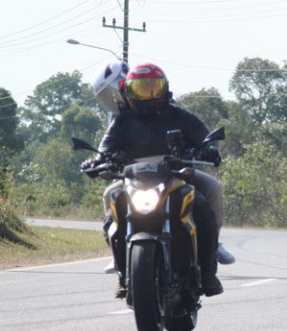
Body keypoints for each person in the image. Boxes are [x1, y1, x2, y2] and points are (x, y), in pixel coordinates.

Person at [84, 62, 229, 297]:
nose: (147, 95)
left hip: (176, 173)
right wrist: (96, 161)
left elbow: (203, 135)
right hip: (135, 177)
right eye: (140, 89)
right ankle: (122, 271)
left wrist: (210, 149)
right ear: (127, 91)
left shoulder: (178, 114)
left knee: (207, 197)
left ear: (164, 89)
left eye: (153, 88)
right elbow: (106, 148)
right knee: (112, 201)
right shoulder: (122, 121)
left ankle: (209, 266)